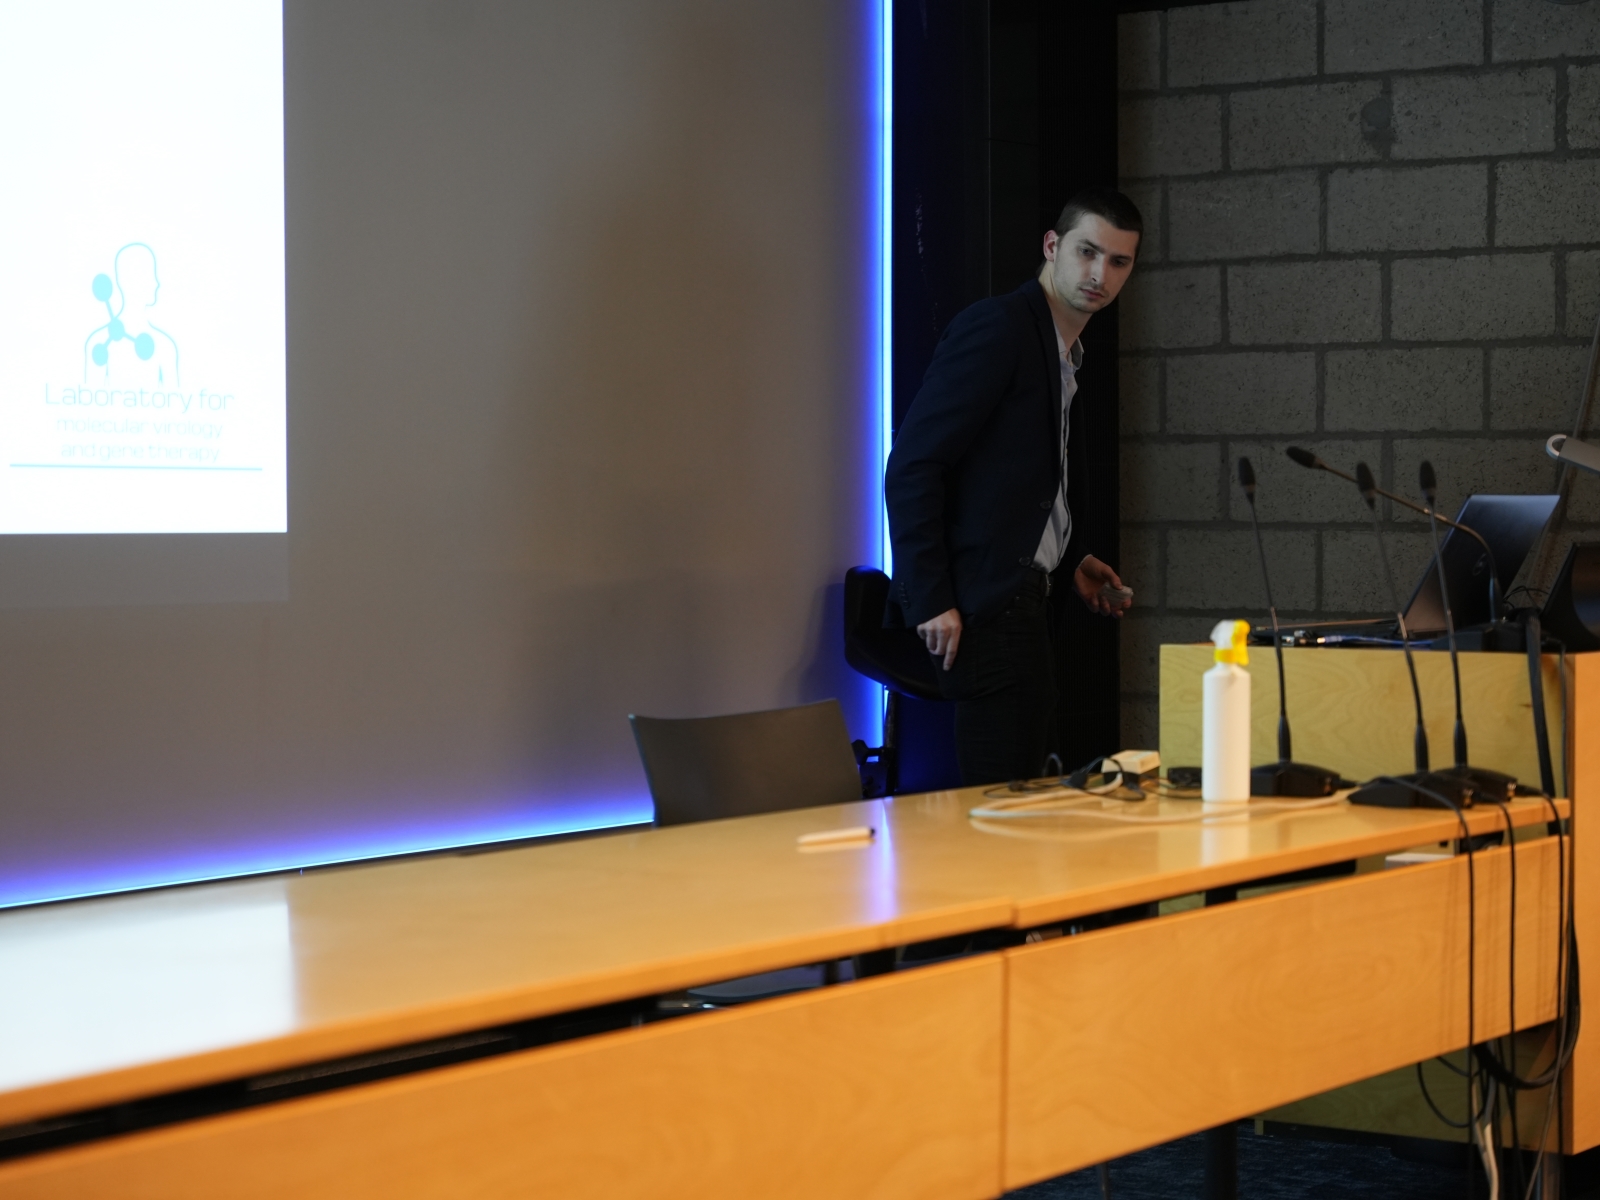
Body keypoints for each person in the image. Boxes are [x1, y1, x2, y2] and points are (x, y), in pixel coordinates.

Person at [884, 187, 1142, 786]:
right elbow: (914, 465)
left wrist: (1069, 557)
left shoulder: (1063, 352)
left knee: (1029, 799)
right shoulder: (1000, 327)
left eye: (1118, 261)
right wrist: (930, 597)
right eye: (1086, 252)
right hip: (986, 607)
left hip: (1026, 601)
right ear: (1052, 246)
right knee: (1005, 807)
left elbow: (1011, 481)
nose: (1099, 274)